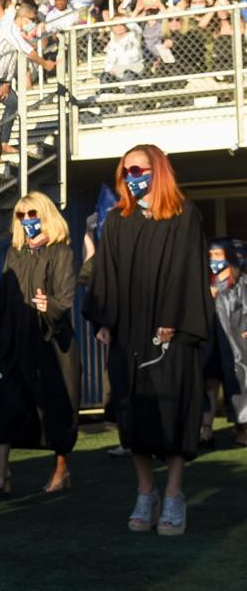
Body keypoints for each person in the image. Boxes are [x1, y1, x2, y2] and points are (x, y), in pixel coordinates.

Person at [84, 145, 210, 536]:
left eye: (139, 168)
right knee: (131, 413)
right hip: (129, 333)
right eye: (126, 171)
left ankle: (173, 494)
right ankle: (146, 491)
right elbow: (107, 273)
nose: (132, 175)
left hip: (169, 333)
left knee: (173, 413)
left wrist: (173, 319)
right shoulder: (120, 220)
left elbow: (189, 271)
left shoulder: (184, 215)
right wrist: (104, 319)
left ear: (158, 170)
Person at [0, 192, 80, 494]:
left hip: (50, 342)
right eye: (21, 216)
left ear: (46, 215)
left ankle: (61, 470)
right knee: (3, 400)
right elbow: (2, 302)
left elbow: (65, 299)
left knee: (55, 407)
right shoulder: (15, 254)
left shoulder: (60, 252)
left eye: (32, 214)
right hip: (13, 341)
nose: (27, 220)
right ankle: (2, 471)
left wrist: (47, 306)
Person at [0, 0, 57, 163]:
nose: (33, 23)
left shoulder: (16, 33)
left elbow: (13, 60)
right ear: (22, 18)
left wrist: (7, 82)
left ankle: (3, 142)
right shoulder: (9, 28)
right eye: (31, 19)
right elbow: (26, 51)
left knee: (14, 103)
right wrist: (45, 64)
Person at [203, 239, 247, 448]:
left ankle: (242, 429)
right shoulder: (205, 283)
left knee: (237, 385)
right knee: (209, 385)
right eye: (211, 256)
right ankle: (206, 430)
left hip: (235, 343)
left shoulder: (240, 282)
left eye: (219, 256)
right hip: (211, 343)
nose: (214, 260)